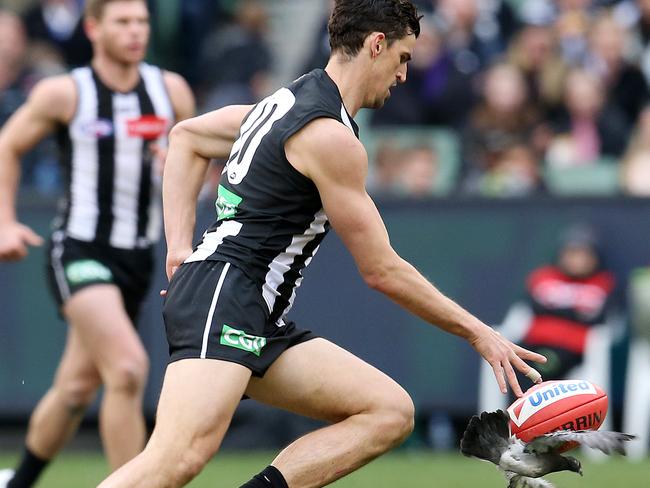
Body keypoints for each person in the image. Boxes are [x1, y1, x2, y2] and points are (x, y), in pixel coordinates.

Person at [98, 2, 546, 487]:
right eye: (403, 57)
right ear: (376, 44)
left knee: (388, 410)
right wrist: (478, 332)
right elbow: (382, 270)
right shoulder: (328, 135)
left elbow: (187, 138)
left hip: (250, 308)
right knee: (177, 458)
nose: (402, 74)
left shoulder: (285, 103)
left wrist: (179, 249)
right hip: (225, 296)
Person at [0, 1, 194, 487]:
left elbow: (200, 163)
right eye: (123, 22)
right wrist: (4, 222)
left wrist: (176, 162)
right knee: (127, 369)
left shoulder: (170, 91)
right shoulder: (65, 92)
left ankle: (17, 481)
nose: (135, 32)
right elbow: (7, 145)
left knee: (75, 389)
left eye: (142, 22)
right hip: (81, 250)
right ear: (93, 29)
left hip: (138, 258)